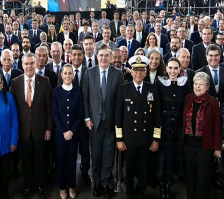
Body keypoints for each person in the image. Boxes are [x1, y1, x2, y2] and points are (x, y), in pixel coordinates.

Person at [115, 55, 162, 199]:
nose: (139, 73)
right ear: (131, 72)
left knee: (144, 168)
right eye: (136, 70)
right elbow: (118, 116)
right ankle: (130, 193)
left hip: (146, 138)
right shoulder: (124, 88)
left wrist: (156, 139)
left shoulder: (152, 89)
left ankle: (141, 191)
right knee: (129, 169)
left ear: (146, 72)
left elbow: (157, 116)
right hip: (129, 138)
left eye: (142, 70)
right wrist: (119, 139)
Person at [83, 44, 124, 198]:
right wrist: (87, 118)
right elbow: (85, 96)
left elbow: (120, 101)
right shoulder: (89, 72)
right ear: (97, 56)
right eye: (101, 55)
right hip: (94, 122)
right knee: (96, 155)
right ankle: (97, 183)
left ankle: (106, 183)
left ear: (111, 57)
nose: (104, 58)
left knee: (108, 156)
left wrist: (118, 122)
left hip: (111, 123)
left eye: (107, 55)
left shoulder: (118, 74)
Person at [10, 52, 53, 199]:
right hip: (23, 131)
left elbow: (49, 108)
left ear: (36, 64)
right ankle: (27, 186)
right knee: (26, 161)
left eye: (31, 63)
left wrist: (49, 128)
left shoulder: (45, 81)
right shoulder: (15, 82)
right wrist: (14, 131)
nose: (29, 66)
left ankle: (41, 186)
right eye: (26, 64)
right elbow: (13, 109)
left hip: (41, 130)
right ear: (22, 65)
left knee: (41, 160)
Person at [155, 57, 191, 198]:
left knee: (175, 156)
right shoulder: (160, 82)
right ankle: (163, 186)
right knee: (164, 156)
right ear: (166, 68)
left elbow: (189, 103)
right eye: (170, 68)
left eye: (176, 68)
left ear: (180, 69)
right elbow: (156, 106)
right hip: (165, 125)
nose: (173, 71)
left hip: (179, 125)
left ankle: (169, 183)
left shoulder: (185, 83)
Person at [183, 72, 222, 199]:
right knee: (190, 176)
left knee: (203, 177)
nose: (198, 87)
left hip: (205, 147)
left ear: (207, 86)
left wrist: (217, 148)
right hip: (188, 145)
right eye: (196, 84)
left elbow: (217, 126)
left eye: (201, 84)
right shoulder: (188, 98)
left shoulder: (213, 102)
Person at [52, 64, 83, 199]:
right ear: (61, 75)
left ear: (73, 75)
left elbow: (80, 114)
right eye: (65, 73)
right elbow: (55, 114)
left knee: (72, 161)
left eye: (70, 73)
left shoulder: (78, 91)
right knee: (61, 161)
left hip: (73, 134)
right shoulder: (56, 91)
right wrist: (64, 131)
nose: (68, 76)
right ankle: (62, 187)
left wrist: (72, 131)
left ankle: (71, 186)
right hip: (60, 134)